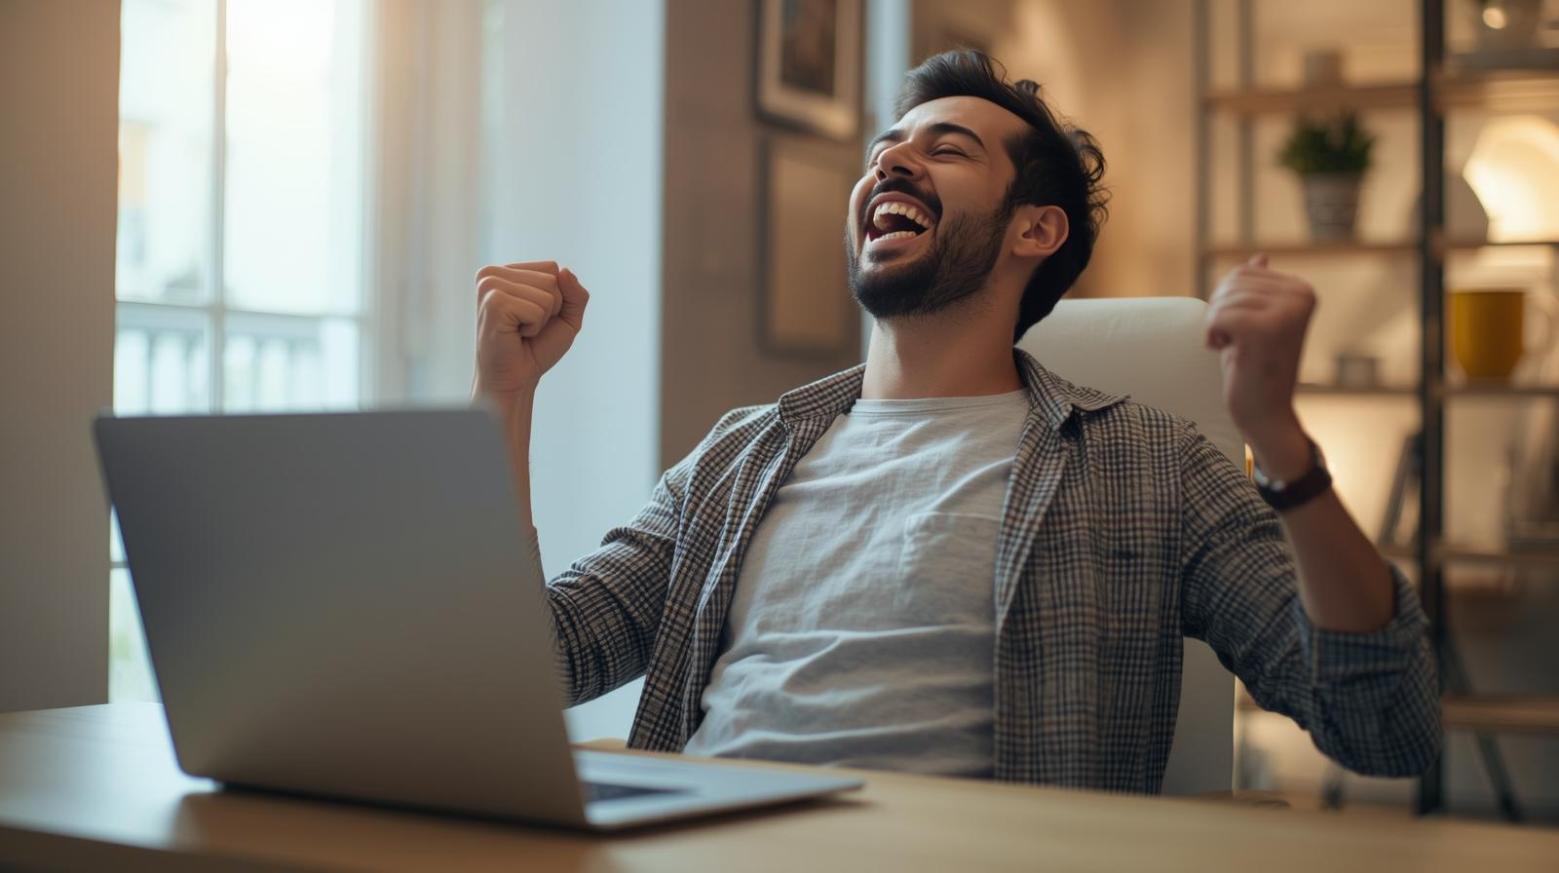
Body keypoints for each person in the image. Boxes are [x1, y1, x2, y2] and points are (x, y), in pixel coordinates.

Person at [467, 50, 1439, 792]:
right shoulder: (736, 455)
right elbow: (519, 670)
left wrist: (1276, 435)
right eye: (885, 151)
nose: (893, 163)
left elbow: (1381, 724)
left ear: (1034, 229)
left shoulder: (1149, 466)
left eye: (945, 149)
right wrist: (503, 400)